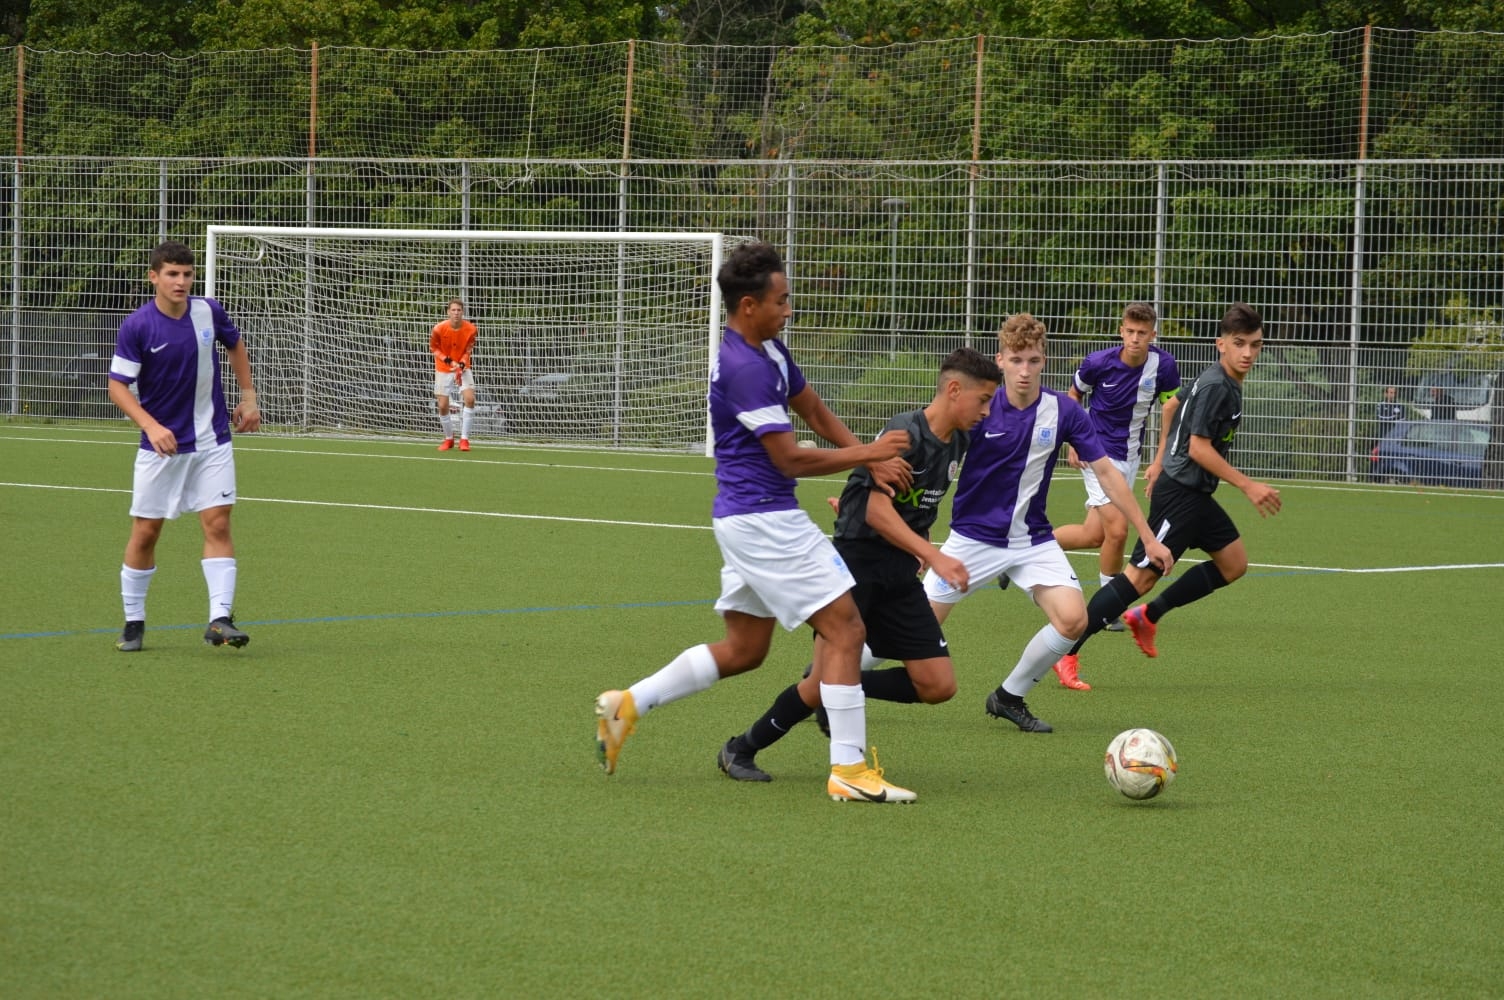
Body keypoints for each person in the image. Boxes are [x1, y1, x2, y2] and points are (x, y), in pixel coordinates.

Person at [593, 241, 919, 803]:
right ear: (749, 305)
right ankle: (849, 770)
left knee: (745, 649)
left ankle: (627, 704)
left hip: (747, 519)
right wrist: (869, 452)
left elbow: (812, 408)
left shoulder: (766, 349)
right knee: (847, 630)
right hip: (766, 519)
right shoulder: (744, 368)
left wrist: (869, 459)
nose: (789, 309)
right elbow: (789, 459)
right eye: (781, 300)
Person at [716, 347, 1002, 782]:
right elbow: (874, 510)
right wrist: (933, 555)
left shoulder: (959, 440)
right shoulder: (905, 432)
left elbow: (914, 505)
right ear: (954, 390)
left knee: (937, 685)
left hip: (900, 571)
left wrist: (920, 543)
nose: (987, 411)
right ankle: (741, 748)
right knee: (816, 686)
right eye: (983, 400)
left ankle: (842, 686)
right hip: (857, 565)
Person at [921, 313, 1174, 734]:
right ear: (1000, 360)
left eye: (1034, 361)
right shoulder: (979, 409)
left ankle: (1009, 696)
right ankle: (832, 679)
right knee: (915, 632)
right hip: (972, 540)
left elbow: (1107, 473)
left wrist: (1147, 537)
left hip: (1033, 541)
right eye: (1016, 360)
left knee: (1074, 620)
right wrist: (919, 532)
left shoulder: (1064, 410)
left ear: (1045, 360)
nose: (1025, 370)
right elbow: (934, 464)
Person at [1054, 303, 1283, 675]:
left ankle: (1148, 616)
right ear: (1221, 344)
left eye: (1255, 345)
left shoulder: (1215, 379)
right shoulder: (1217, 386)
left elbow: (1171, 404)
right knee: (1139, 577)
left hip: (1195, 493)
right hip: (1180, 494)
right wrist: (1248, 485)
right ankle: (1066, 652)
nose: (1247, 353)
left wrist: (1160, 458)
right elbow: (1198, 449)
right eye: (1239, 343)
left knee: (1233, 563)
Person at [107, 240, 261, 652]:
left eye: (187, 274)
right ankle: (134, 622)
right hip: (162, 448)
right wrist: (150, 425)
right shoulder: (138, 326)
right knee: (146, 532)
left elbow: (235, 344)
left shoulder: (209, 311)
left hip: (213, 440)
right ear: (154, 277)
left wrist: (248, 397)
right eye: (172, 274)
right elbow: (117, 386)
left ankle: (220, 619)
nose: (181, 281)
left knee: (218, 523)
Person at [1051, 303, 1181, 690]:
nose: (1135, 339)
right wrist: (1073, 440)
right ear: (1121, 331)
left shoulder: (1164, 366)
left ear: (1153, 335)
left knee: (1094, 534)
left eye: (1143, 333)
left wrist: (1159, 460)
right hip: (1096, 452)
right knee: (1118, 528)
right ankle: (1110, 604)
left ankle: (1025, 547)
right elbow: (1071, 396)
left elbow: (1171, 408)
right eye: (1130, 331)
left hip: (1130, 457)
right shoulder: (1098, 362)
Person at [431, 298, 477, 451]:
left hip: (463, 367)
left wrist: (461, 365)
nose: (456, 313)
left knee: (470, 399)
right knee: (443, 405)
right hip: (443, 367)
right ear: (448, 312)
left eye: (459, 310)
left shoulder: (471, 329)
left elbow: (468, 350)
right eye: (453, 310)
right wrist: (451, 362)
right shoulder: (438, 329)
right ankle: (449, 439)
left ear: (462, 312)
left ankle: (464, 440)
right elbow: (434, 349)